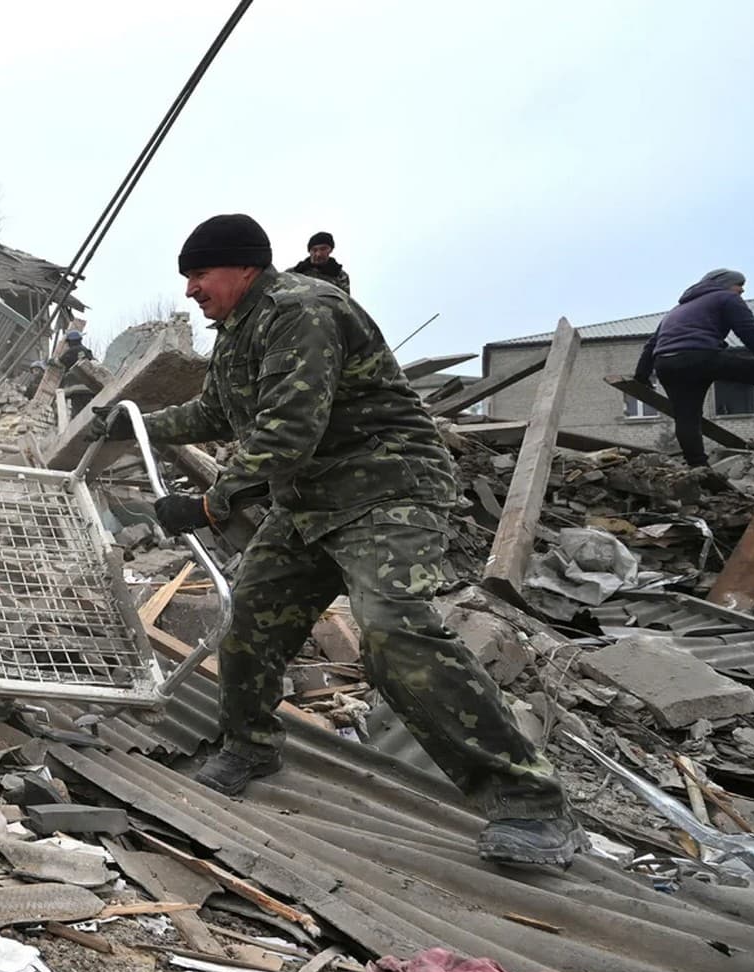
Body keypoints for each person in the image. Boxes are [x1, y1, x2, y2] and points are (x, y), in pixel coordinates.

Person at [92, 213, 580, 869]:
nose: (191, 291)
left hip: (387, 490)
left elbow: (287, 431)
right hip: (310, 502)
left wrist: (210, 503)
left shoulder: (304, 309)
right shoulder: (239, 331)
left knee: (392, 629)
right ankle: (251, 744)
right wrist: (129, 423)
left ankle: (530, 804)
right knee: (252, 620)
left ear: (243, 267)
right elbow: (217, 413)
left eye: (199, 275)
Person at [634, 269, 754, 468]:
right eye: (739, 284)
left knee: (687, 416)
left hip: (666, 364)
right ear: (724, 283)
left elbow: (651, 345)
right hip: (700, 356)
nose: (742, 290)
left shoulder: (676, 310)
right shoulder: (726, 298)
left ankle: (699, 468)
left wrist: (642, 376)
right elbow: (751, 334)